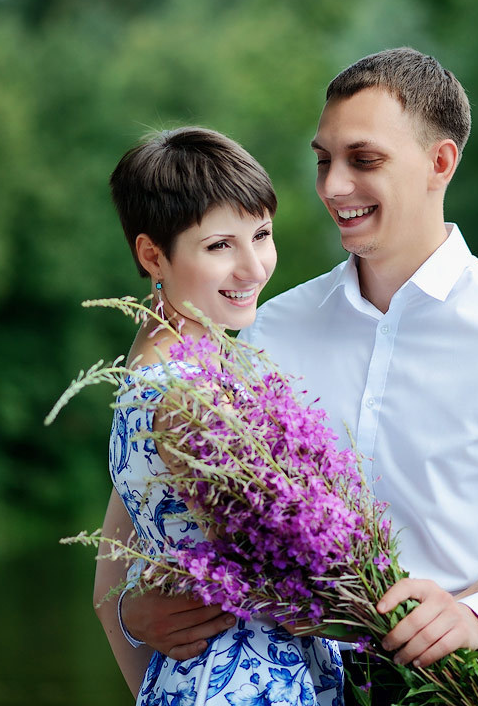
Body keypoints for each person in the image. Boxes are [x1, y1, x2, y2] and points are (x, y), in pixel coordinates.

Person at [109, 49, 478, 706]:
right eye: (324, 160)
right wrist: (135, 612)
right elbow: (152, 525)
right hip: (302, 686)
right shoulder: (265, 332)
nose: (332, 186)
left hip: (469, 682)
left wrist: (477, 613)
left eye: (363, 160)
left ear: (440, 163)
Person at [98, 126, 343, 705]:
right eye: (219, 246)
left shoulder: (151, 377)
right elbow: (297, 583)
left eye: (261, 235)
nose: (254, 268)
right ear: (152, 254)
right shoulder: (192, 400)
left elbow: (106, 598)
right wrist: (477, 596)